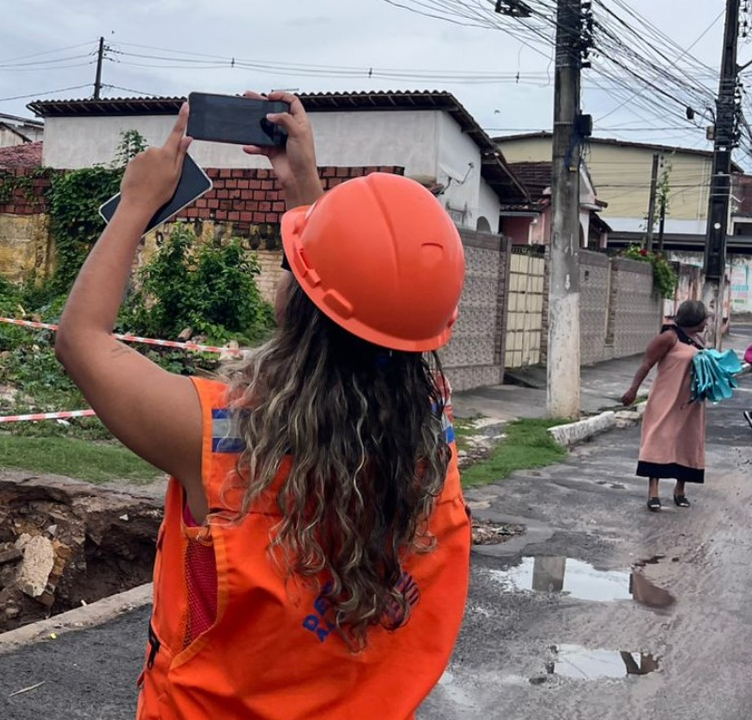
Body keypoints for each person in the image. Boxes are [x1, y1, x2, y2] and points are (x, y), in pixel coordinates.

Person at [55, 93, 470, 720]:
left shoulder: (223, 439)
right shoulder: (429, 436)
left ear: (298, 307)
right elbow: (369, 310)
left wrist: (136, 203)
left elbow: (80, 341)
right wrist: (303, 186)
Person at [622, 300, 712, 510]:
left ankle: (680, 490)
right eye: (703, 318)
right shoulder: (669, 337)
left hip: (691, 402)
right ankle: (653, 492)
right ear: (693, 318)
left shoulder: (698, 339)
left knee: (687, 442)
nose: (706, 322)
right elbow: (647, 363)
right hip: (666, 397)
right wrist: (633, 390)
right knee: (659, 440)